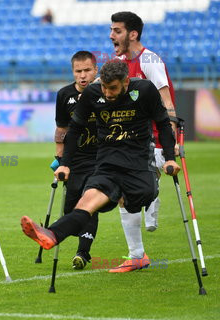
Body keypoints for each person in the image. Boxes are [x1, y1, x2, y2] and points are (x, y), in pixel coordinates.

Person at [20, 61, 180, 266]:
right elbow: (75, 128)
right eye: (104, 87)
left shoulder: (145, 90)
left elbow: (163, 124)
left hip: (138, 165)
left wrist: (169, 159)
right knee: (86, 203)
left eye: (112, 88)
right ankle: (51, 234)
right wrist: (65, 163)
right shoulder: (93, 93)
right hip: (107, 164)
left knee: (140, 197)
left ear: (126, 82)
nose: (107, 92)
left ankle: (137, 247)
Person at [108, 11, 178, 272]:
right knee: (122, 192)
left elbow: (167, 101)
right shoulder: (119, 62)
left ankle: (152, 190)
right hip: (132, 141)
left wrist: (173, 142)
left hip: (156, 140)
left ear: (132, 34)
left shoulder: (149, 59)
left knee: (131, 188)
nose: (111, 35)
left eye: (117, 30)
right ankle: (137, 254)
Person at [51, 51, 99, 269]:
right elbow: (61, 128)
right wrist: (59, 158)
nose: (83, 75)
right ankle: (66, 231)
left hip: (100, 158)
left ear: (95, 70)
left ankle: (83, 252)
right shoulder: (64, 95)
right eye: (78, 71)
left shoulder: (104, 92)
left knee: (90, 202)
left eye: (87, 70)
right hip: (74, 159)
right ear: (73, 72)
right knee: (72, 207)